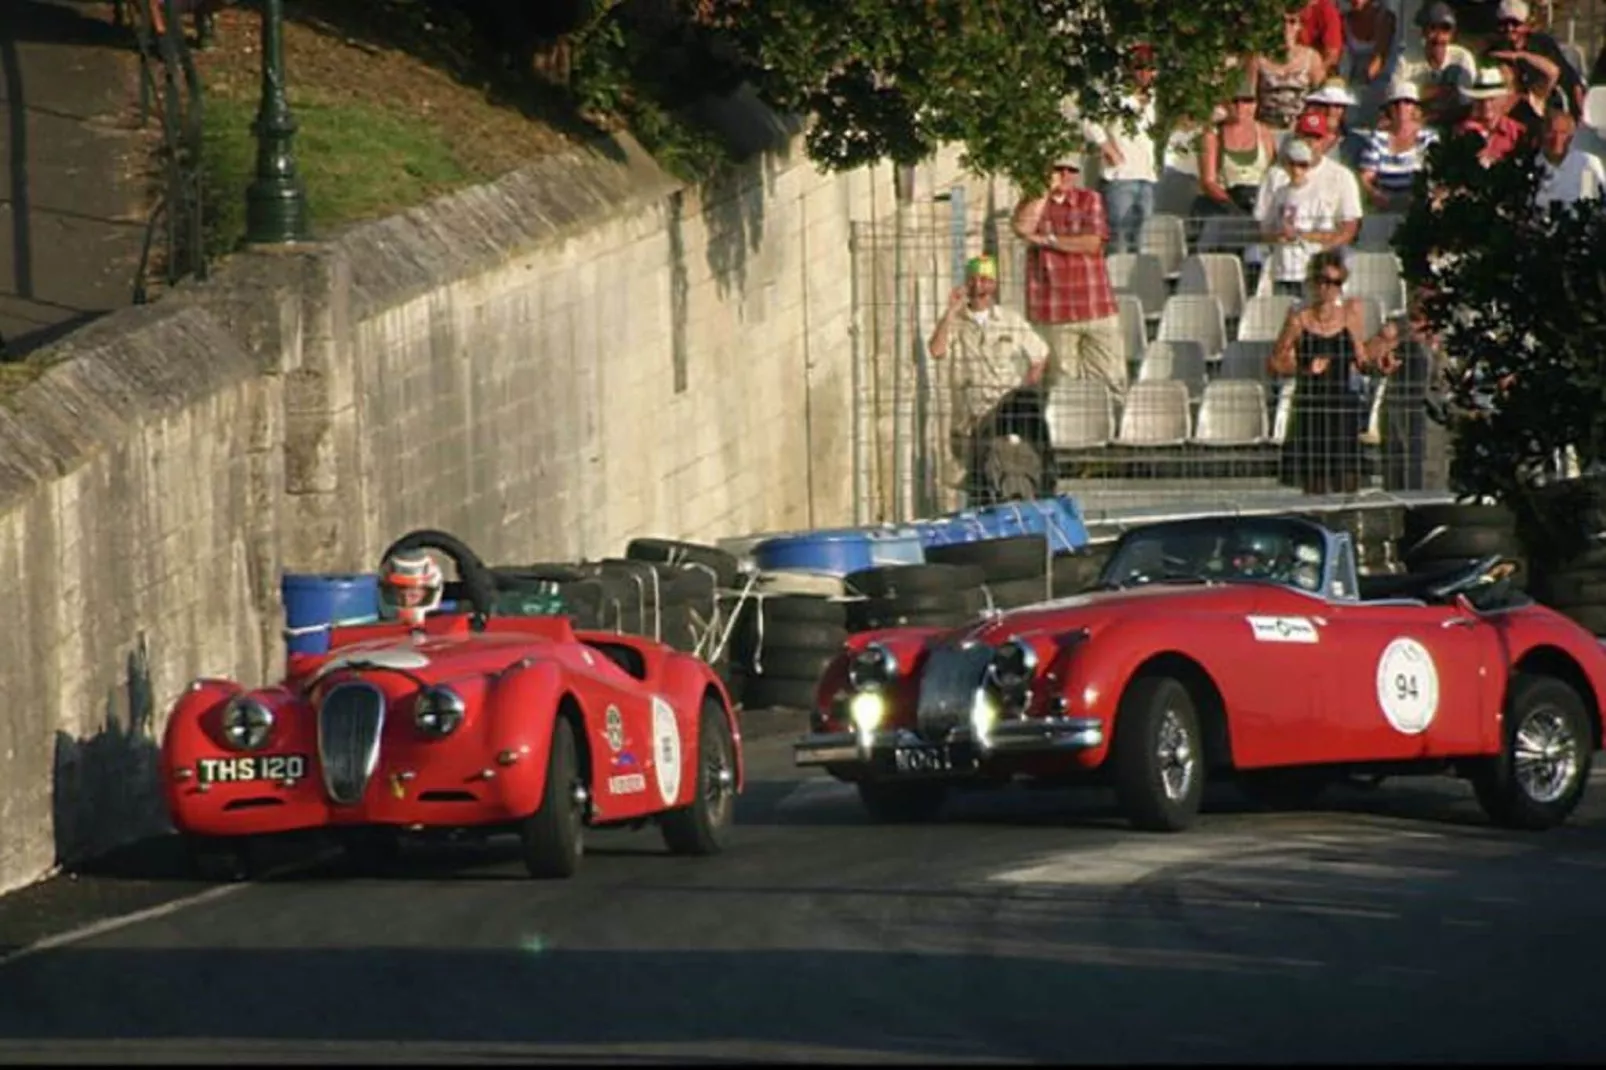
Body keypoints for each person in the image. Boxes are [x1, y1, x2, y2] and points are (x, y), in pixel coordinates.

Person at [1268, 250, 1402, 496]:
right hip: (1311, 407)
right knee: (1314, 484)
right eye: (1323, 281)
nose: (1328, 289)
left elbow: (1361, 360)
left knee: (1347, 480)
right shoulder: (1299, 320)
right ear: (1312, 282)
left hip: (1341, 406)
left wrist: (1378, 366)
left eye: (1335, 283)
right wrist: (1305, 369)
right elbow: (1276, 362)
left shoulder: (1349, 317)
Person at [927, 255, 1053, 501]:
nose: (978, 284)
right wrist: (950, 311)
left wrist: (1023, 391)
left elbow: (1040, 355)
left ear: (994, 284)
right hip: (970, 418)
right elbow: (936, 350)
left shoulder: (1009, 320)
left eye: (985, 279)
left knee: (1006, 473)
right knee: (977, 484)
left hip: (1004, 415)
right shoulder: (957, 322)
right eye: (973, 279)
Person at [1010, 156, 1124, 400]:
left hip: (1096, 306)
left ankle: (1112, 432)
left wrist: (1048, 240)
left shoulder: (1089, 199)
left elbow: (1092, 243)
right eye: (1058, 169)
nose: (1065, 174)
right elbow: (1022, 228)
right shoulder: (1034, 201)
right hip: (1054, 310)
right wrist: (1043, 190)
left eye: (1071, 170)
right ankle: (1068, 436)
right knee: (1061, 387)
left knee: (1112, 380)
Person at [1084, 44, 1160, 254]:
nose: (1145, 73)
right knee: (1117, 242)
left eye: (1151, 68)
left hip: (1147, 177)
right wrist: (1107, 147)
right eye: (1139, 67)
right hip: (1120, 177)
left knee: (1142, 244)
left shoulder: (1153, 96)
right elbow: (1089, 118)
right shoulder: (1114, 94)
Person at [1194, 73, 1280, 222]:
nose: (1241, 107)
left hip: (1259, 201)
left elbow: (1274, 174)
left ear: (1255, 104)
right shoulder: (1212, 136)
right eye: (1235, 101)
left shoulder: (1264, 133)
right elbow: (1208, 182)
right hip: (1226, 202)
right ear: (1225, 103)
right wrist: (1232, 207)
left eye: (1247, 101)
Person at [1358, 80, 1438, 212]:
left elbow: (1435, 176)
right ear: (1388, 108)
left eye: (1407, 102)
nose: (1401, 107)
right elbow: (1366, 177)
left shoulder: (1428, 138)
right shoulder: (1377, 138)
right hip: (1385, 206)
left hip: (1420, 206)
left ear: (1415, 108)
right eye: (1396, 103)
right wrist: (1375, 195)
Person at [1400, 2, 1478, 130]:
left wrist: (1424, 97)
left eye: (1445, 29)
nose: (1438, 36)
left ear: (1452, 33)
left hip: (1455, 124)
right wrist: (1438, 92)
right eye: (1432, 28)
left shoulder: (1462, 57)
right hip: (1413, 125)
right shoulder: (1406, 59)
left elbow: (1468, 102)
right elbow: (1397, 100)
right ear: (1423, 31)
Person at [1254, 10, 1328, 130]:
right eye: (1280, 22)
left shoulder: (1311, 57)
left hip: (1300, 128)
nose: (1286, 27)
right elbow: (1250, 98)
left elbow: (1321, 97)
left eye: (1292, 22)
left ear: (1299, 26)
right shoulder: (1259, 58)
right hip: (1265, 128)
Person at [1535, 107, 1606, 207]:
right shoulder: (1532, 164)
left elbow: (1592, 203)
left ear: (1571, 135)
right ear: (1543, 133)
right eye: (1552, 132)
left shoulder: (1585, 164)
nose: (1557, 138)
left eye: (1563, 133)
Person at [380, 551, 445, 628]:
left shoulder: (449, 626)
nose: (407, 602)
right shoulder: (372, 624)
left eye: (413, 596)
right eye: (399, 595)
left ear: (429, 595)